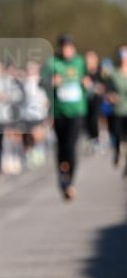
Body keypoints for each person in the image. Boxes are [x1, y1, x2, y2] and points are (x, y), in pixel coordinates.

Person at [40, 34, 88, 200]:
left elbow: (90, 79)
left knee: (71, 146)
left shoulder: (80, 62)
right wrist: (50, 82)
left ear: (73, 47)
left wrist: (86, 83)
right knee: (61, 147)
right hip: (58, 112)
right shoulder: (52, 63)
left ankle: (70, 182)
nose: (67, 50)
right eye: (63, 46)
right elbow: (41, 83)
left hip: (77, 110)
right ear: (59, 48)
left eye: (69, 46)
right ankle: (62, 175)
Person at [105, 45, 127, 174]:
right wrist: (110, 96)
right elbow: (107, 92)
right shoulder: (113, 74)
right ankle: (117, 153)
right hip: (118, 111)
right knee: (118, 138)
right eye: (122, 57)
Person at [83, 50, 104, 153]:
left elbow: (106, 84)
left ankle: (96, 140)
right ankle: (90, 139)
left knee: (94, 119)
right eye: (87, 59)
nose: (89, 61)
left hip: (97, 99)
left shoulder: (101, 71)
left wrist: (102, 88)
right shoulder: (83, 72)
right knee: (86, 120)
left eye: (91, 58)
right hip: (85, 99)